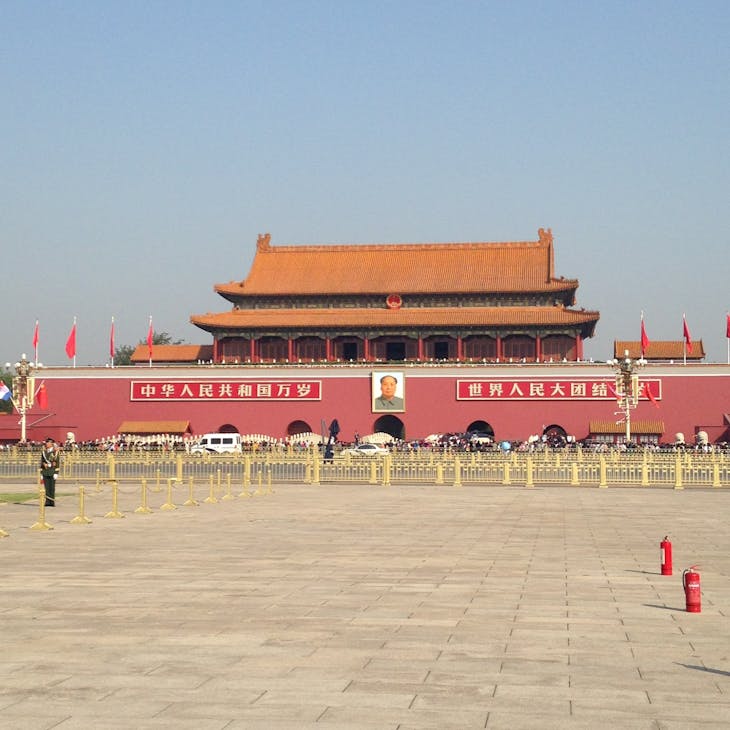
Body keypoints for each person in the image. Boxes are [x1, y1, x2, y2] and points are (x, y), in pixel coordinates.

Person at [40, 437, 60, 506]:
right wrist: (41, 473)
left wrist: (56, 473)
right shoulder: (44, 452)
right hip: (45, 471)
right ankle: (47, 501)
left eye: (48, 442)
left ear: (51, 443)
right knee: (47, 487)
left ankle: (52, 501)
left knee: (52, 487)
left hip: (52, 471)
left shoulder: (55, 452)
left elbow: (57, 462)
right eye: (46, 442)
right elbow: (42, 462)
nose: (47, 444)